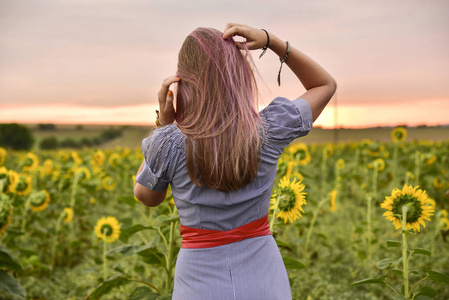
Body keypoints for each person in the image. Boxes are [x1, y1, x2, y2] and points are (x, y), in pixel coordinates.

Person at [134, 23, 336, 300]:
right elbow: (324, 85)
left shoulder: (167, 142)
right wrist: (271, 41)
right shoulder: (270, 128)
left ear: (182, 83)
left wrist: (164, 125)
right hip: (264, 276)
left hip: (198, 281)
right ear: (239, 76)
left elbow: (147, 196)